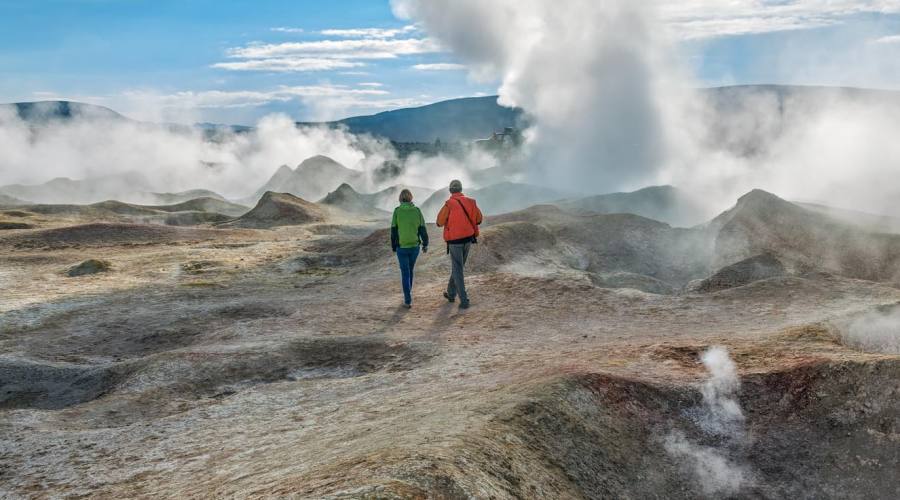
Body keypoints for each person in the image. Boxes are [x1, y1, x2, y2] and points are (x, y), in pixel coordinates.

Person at [436, 179, 483, 309]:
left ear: (450, 190)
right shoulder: (471, 202)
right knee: (458, 267)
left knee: (458, 269)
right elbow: (479, 219)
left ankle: (464, 300)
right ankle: (451, 294)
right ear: (461, 189)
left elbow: (439, 222)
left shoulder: (449, 204)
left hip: (455, 241)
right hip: (468, 239)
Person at [391, 189, 428, 308]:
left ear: (400, 199)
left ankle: (407, 299)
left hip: (402, 248)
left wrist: (394, 246)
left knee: (405, 273)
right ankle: (408, 296)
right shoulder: (417, 211)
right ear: (411, 198)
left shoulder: (397, 211)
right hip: (414, 247)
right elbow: (422, 228)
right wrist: (425, 243)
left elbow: (393, 230)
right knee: (410, 270)